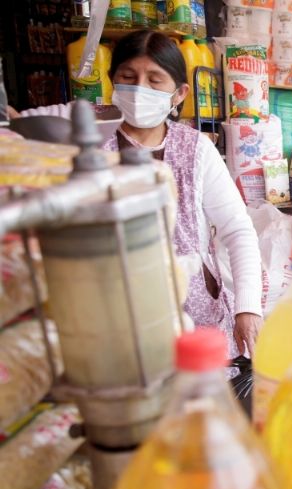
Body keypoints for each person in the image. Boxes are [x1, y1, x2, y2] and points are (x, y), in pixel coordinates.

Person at [16, 30, 262, 360]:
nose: (139, 88)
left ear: (179, 94)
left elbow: (237, 230)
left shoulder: (196, 150)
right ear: (112, 80)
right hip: (105, 316)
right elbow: (16, 126)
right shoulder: (85, 124)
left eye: (155, 80)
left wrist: (247, 308)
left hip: (191, 318)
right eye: (128, 77)